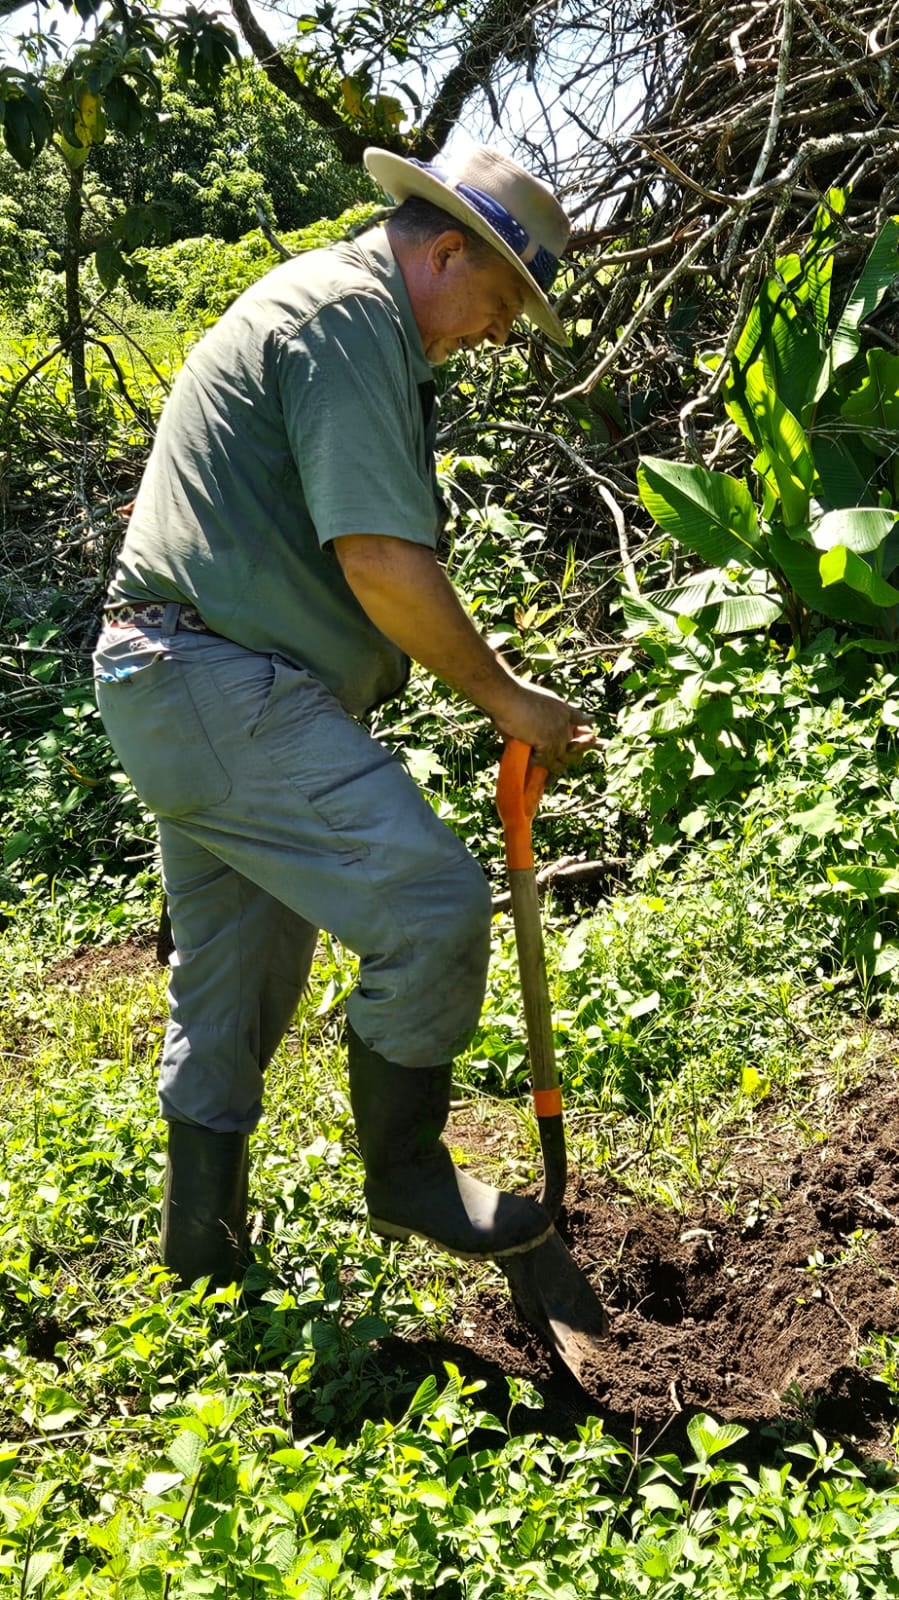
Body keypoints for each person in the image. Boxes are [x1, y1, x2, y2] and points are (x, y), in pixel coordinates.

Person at [93, 142, 592, 1288]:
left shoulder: (337, 312)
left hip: (186, 687)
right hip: (215, 677)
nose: (502, 333)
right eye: (503, 300)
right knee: (430, 902)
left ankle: (200, 1254)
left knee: (234, 982)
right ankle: (407, 1171)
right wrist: (504, 694)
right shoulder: (346, 318)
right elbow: (376, 559)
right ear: (447, 249)